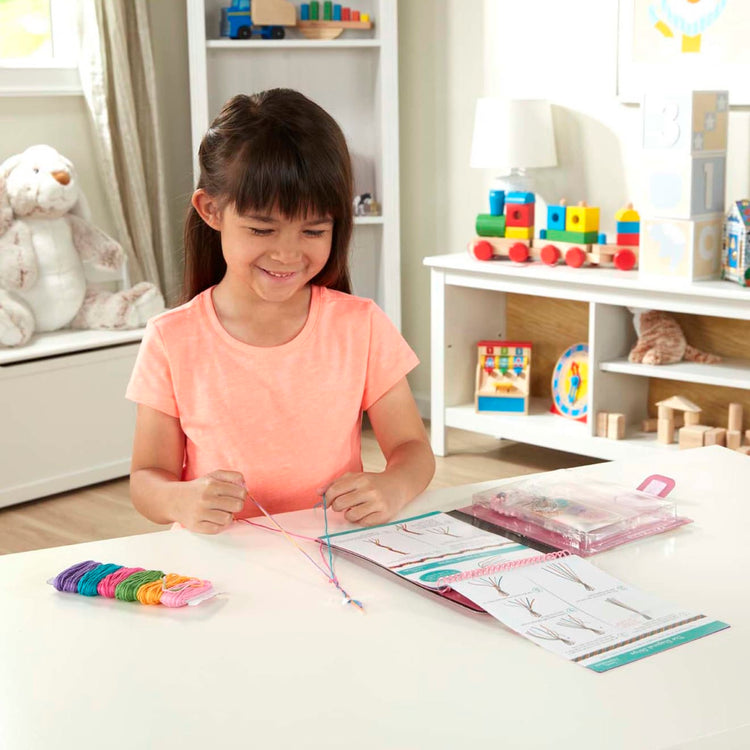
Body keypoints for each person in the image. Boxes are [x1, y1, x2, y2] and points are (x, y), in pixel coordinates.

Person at [127, 89, 435, 534]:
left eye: (313, 230)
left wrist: (393, 486)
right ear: (211, 210)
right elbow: (146, 480)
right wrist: (181, 500)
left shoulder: (360, 325)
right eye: (261, 228)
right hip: (223, 558)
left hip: (332, 550)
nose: (287, 254)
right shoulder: (172, 339)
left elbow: (412, 447)